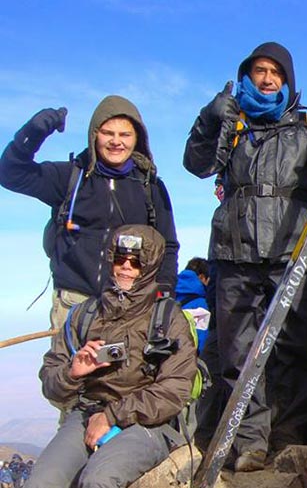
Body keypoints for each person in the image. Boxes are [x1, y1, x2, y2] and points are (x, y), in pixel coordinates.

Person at [183, 42, 307, 468]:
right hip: (235, 252)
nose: (268, 79)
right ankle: (248, 441)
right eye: (260, 71)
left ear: (288, 80)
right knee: (238, 352)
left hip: (292, 253)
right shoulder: (232, 124)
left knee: (294, 348)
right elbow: (197, 165)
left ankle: (289, 436)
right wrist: (208, 119)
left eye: (276, 72)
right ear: (247, 76)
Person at [6, 225, 196, 488]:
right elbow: (51, 383)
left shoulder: (168, 318)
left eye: (136, 262)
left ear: (150, 266)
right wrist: (73, 372)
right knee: (42, 483)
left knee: (100, 479)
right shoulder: (84, 315)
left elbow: (174, 391)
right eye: (120, 259)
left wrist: (112, 417)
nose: (126, 268)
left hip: (148, 422)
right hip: (87, 411)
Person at [0, 97, 179, 329]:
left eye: (125, 135)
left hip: (133, 308)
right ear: (94, 135)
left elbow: (168, 245)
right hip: (73, 304)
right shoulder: (69, 177)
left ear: (137, 139)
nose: (116, 141)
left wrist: (164, 291)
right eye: (107, 133)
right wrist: (32, 134)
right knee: (67, 355)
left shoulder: (151, 187)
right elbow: (10, 174)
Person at [175, 256, 211, 352]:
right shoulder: (201, 304)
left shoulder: (168, 296)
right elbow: (201, 339)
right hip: (187, 356)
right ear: (202, 277)